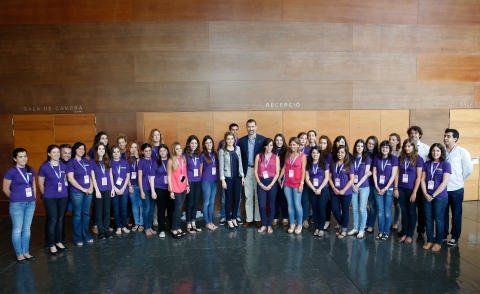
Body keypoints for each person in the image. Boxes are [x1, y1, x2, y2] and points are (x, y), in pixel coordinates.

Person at [3, 148, 37, 263]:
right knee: (17, 229)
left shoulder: (30, 169)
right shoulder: (11, 171)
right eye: (21, 157)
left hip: (30, 203)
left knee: (26, 228)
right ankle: (19, 254)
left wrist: (34, 198)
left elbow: (33, 185)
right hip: (17, 204)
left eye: (25, 156)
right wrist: (14, 198)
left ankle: (26, 252)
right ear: (15, 159)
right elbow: (5, 188)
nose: (24, 159)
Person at [443, 128, 473, 246]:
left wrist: (459, 180)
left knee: (456, 215)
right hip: (443, 189)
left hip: (456, 189)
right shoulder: (441, 151)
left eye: (448, 136)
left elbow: (468, 170)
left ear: (455, 139)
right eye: (445, 136)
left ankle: (455, 237)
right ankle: (443, 235)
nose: (445, 138)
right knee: (443, 214)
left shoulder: (462, 152)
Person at [38, 145, 68, 255]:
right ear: (49, 154)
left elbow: (64, 180)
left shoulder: (63, 166)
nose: (56, 154)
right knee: (53, 220)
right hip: (49, 197)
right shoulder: (44, 167)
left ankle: (59, 241)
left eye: (57, 152)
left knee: (60, 219)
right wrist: (46, 195)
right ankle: (51, 244)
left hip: (63, 196)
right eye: (53, 152)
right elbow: (41, 184)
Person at [421, 144, 451, 252]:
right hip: (427, 196)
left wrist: (433, 195)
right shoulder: (427, 164)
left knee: (439, 219)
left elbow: (444, 182)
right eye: (433, 150)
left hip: (440, 197)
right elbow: (422, 180)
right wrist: (425, 193)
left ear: (441, 152)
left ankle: (438, 242)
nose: (435, 153)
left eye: (438, 151)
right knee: (428, 218)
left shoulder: (446, 164)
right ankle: (429, 240)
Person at [394, 139, 423, 245]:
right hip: (401, 188)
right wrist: (396, 188)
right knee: (404, 211)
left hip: (412, 189)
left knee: (411, 211)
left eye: (409, 146)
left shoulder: (418, 159)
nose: (407, 148)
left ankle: (410, 235)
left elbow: (419, 177)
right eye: (405, 146)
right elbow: (396, 174)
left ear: (413, 147)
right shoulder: (400, 158)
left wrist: (415, 192)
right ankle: (404, 233)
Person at [238, 119, 266, 228]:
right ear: (246, 128)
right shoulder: (242, 141)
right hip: (247, 171)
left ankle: (258, 219)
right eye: (249, 127)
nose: (251, 129)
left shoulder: (262, 139)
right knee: (248, 196)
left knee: (258, 196)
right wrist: (242, 174)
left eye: (252, 126)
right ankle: (249, 219)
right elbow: (240, 158)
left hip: (258, 171)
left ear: (256, 127)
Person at [67, 142, 94, 246]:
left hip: (88, 192)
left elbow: (91, 176)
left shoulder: (86, 161)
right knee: (77, 215)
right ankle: (77, 237)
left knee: (86, 214)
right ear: (75, 150)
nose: (81, 151)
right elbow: (70, 178)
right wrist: (83, 189)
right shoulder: (71, 162)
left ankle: (86, 235)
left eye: (83, 149)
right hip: (77, 192)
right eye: (79, 149)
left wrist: (91, 187)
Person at [278, 137, 306, 235]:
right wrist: (279, 178)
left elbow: (303, 171)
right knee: (290, 204)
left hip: (297, 183)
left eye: (294, 144)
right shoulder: (288, 154)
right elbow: (285, 167)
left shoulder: (302, 156)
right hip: (287, 183)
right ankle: (292, 223)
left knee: (297, 204)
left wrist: (302, 183)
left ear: (298, 145)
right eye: (291, 144)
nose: (292, 146)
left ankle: (299, 224)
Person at [372, 140, 399, 241]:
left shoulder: (394, 159)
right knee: (380, 211)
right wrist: (376, 186)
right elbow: (374, 173)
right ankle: (380, 231)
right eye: (383, 147)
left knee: (387, 211)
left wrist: (386, 188)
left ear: (390, 149)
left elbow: (393, 175)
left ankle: (386, 232)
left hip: (389, 189)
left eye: (387, 147)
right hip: (378, 189)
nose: (385, 149)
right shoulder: (376, 158)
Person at [219, 132, 245, 230]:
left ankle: (234, 217)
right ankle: (228, 220)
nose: (230, 141)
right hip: (228, 179)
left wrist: (242, 176)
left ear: (234, 140)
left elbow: (241, 163)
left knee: (237, 199)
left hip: (237, 178)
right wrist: (223, 180)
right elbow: (221, 167)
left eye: (232, 139)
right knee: (228, 199)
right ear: (225, 140)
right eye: (228, 139)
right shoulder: (222, 151)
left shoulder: (238, 149)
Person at [254, 138, 280, 233]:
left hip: (272, 183)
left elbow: (277, 173)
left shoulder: (276, 157)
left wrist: (271, 185)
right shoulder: (258, 156)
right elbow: (255, 172)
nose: (269, 147)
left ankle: (269, 225)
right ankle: (263, 224)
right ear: (264, 146)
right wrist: (260, 183)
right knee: (261, 205)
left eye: (271, 145)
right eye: (267, 145)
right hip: (261, 182)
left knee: (271, 205)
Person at [408, 126, 429, 240]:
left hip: (422, 183)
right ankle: (406, 229)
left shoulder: (426, 149)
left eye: (416, 133)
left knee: (421, 209)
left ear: (420, 134)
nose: (413, 135)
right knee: (409, 208)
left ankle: (421, 230)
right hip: (408, 184)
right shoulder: (405, 149)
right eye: (411, 133)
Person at [329, 145, 355, 239]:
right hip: (334, 191)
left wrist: (343, 190)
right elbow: (329, 177)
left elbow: (351, 179)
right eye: (338, 152)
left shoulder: (349, 164)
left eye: (342, 152)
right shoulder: (333, 164)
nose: (340, 154)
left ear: (346, 153)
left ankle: (344, 229)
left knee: (345, 210)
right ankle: (341, 224)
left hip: (346, 192)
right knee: (334, 209)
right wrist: (333, 188)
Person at [90, 143, 115, 240]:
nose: (101, 150)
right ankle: (101, 231)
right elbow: (93, 177)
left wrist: (112, 188)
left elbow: (111, 176)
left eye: (103, 149)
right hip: (98, 190)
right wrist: (96, 190)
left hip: (108, 189)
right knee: (99, 211)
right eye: (99, 149)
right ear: (96, 150)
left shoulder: (107, 161)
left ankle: (106, 230)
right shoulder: (92, 162)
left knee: (107, 211)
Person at [348, 139, 371, 239]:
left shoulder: (367, 159)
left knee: (362, 209)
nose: (359, 148)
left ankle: (362, 230)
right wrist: (353, 184)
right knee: (354, 208)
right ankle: (355, 228)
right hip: (353, 186)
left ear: (364, 147)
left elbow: (367, 174)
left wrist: (357, 185)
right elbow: (350, 173)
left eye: (361, 146)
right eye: (358, 146)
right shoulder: (351, 159)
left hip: (364, 186)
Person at [304, 146, 329, 237]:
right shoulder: (309, 164)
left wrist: (319, 189)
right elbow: (307, 178)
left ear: (320, 154)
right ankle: (317, 228)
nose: (315, 154)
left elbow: (327, 178)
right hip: (312, 190)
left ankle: (321, 228)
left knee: (321, 210)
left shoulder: (324, 164)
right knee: (314, 210)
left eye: (317, 153)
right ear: (311, 154)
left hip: (323, 190)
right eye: (313, 153)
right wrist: (314, 189)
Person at [150, 144, 174, 238]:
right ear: (158, 153)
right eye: (160, 151)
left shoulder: (171, 160)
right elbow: (152, 177)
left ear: (167, 151)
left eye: (164, 150)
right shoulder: (156, 162)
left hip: (170, 188)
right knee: (161, 209)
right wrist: (153, 191)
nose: (163, 152)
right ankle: (162, 229)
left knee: (171, 209)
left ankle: (172, 227)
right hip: (159, 188)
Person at [168, 142, 189, 238]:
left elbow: (185, 174)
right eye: (177, 149)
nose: (179, 150)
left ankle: (178, 227)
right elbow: (169, 176)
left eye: (180, 148)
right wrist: (171, 190)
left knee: (180, 208)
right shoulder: (171, 160)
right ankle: (173, 228)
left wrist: (187, 185)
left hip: (183, 187)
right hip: (175, 188)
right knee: (177, 208)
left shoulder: (183, 159)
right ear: (173, 150)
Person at [110, 145, 131, 235]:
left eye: (118, 152)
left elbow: (128, 176)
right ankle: (118, 227)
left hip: (124, 190)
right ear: (112, 154)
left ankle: (123, 226)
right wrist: (115, 188)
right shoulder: (109, 162)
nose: (116, 154)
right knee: (116, 209)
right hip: (114, 190)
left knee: (123, 208)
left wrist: (123, 188)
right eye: (114, 152)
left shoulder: (125, 162)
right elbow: (109, 177)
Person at [184, 135, 202, 234]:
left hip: (197, 181)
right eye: (192, 143)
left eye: (195, 143)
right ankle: (188, 223)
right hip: (189, 181)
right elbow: (183, 171)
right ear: (188, 144)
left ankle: (194, 222)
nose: (194, 145)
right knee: (190, 203)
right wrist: (186, 184)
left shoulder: (198, 155)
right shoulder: (185, 155)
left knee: (195, 203)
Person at [200, 136, 219, 231]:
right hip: (206, 181)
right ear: (204, 144)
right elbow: (200, 170)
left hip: (215, 181)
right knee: (206, 202)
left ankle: (211, 221)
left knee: (212, 202)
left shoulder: (215, 153)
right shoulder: (202, 155)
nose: (209, 144)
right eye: (206, 143)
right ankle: (207, 222)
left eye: (210, 142)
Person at [148, 129, 164, 227]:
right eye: (154, 135)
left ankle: (161, 217)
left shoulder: (163, 147)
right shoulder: (150, 148)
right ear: (152, 137)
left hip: (162, 175)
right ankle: (155, 218)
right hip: (153, 175)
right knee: (154, 199)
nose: (157, 137)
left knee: (162, 200)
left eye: (158, 135)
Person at [138, 143, 155, 236]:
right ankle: (146, 227)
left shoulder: (153, 160)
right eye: (146, 151)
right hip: (145, 188)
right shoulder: (141, 162)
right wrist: (141, 191)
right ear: (142, 152)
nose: (148, 152)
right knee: (146, 208)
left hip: (153, 188)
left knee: (152, 209)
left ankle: (150, 226)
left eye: (149, 150)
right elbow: (139, 178)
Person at [126, 141, 143, 232]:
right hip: (131, 185)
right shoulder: (126, 159)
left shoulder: (141, 158)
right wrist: (129, 185)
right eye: (132, 147)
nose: (133, 149)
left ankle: (141, 223)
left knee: (141, 205)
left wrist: (137, 158)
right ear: (129, 148)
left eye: (135, 147)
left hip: (140, 185)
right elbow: (126, 174)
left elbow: (141, 170)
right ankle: (136, 223)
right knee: (134, 205)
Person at [273, 134, 288, 226]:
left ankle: (285, 217)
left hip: (283, 177)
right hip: (273, 177)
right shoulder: (272, 151)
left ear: (283, 141)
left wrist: (281, 177)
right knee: (274, 198)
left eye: (281, 140)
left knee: (283, 198)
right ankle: (275, 217)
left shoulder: (287, 151)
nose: (279, 142)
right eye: (277, 140)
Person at [318, 135, 333, 229]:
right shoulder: (317, 153)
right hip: (317, 182)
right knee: (320, 203)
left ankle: (327, 220)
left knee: (327, 202)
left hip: (327, 182)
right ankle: (320, 219)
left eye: (324, 143)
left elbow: (330, 170)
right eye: (321, 142)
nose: (322, 145)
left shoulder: (329, 155)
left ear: (327, 144)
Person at [365, 135, 379, 234]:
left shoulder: (378, 155)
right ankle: (365, 222)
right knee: (363, 205)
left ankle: (371, 225)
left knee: (373, 205)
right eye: (369, 143)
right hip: (364, 183)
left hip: (373, 183)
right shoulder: (362, 153)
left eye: (373, 144)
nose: (370, 145)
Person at [389, 133, 402, 232]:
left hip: (398, 180)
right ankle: (388, 222)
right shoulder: (386, 151)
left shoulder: (401, 152)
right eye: (390, 139)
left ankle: (396, 222)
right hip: (387, 181)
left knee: (397, 204)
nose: (391, 141)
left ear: (398, 141)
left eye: (393, 139)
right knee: (388, 203)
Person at [298, 131, 311, 228]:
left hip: (306, 178)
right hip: (295, 178)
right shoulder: (294, 149)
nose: (303, 140)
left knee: (305, 199)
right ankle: (296, 218)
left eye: (305, 138)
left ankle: (305, 219)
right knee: (296, 199)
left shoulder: (309, 150)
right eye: (301, 138)